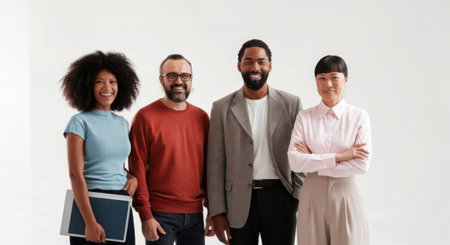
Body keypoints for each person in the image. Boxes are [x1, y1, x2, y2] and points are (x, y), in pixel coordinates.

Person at [207, 39, 305, 245]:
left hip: (281, 199)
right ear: (239, 66)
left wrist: (298, 196)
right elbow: (215, 165)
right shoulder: (221, 108)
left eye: (261, 61)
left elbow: (301, 153)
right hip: (238, 203)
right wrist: (217, 212)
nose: (255, 67)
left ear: (270, 65)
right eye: (248, 61)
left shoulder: (291, 103)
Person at [128, 54, 214, 245]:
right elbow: (137, 170)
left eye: (185, 76)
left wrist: (212, 211)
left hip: (195, 215)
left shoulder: (202, 118)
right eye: (172, 75)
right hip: (159, 215)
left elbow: (209, 170)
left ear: (191, 79)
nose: (179, 81)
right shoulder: (145, 117)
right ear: (162, 80)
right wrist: (145, 215)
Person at [288, 55, 372, 245]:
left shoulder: (359, 117)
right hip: (311, 193)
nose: (328, 84)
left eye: (334, 77)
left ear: (346, 80)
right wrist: (341, 156)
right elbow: (294, 161)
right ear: (316, 82)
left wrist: (314, 160)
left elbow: (361, 165)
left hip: (345, 192)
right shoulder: (305, 117)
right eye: (322, 78)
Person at [61, 51, 140, 244]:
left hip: (120, 203)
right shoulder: (78, 122)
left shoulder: (122, 123)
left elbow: (113, 163)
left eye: (112, 81)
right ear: (88, 85)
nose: (107, 87)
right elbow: (75, 174)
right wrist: (90, 222)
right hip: (90, 203)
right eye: (99, 82)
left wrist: (132, 178)